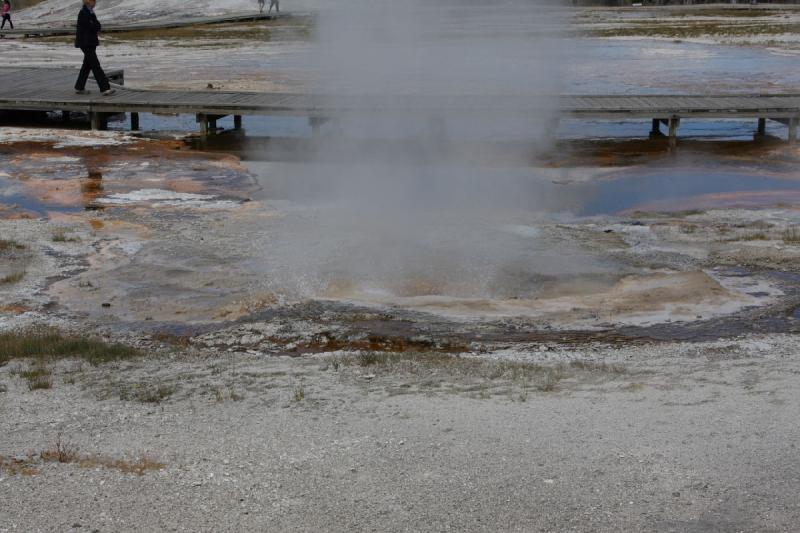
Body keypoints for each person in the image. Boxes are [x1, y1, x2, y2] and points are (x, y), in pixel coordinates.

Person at [74, 0, 115, 96]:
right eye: (93, 1)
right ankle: (105, 88)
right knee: (95, 65)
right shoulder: (83, 13)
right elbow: (92, 27)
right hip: (85, 43)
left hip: (90, 43)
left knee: (87, 65)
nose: (95, 3)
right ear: (88, 2)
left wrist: (95, 25)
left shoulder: (90, 12)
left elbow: (97, 25)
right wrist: (95, 25)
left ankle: (79, 87)